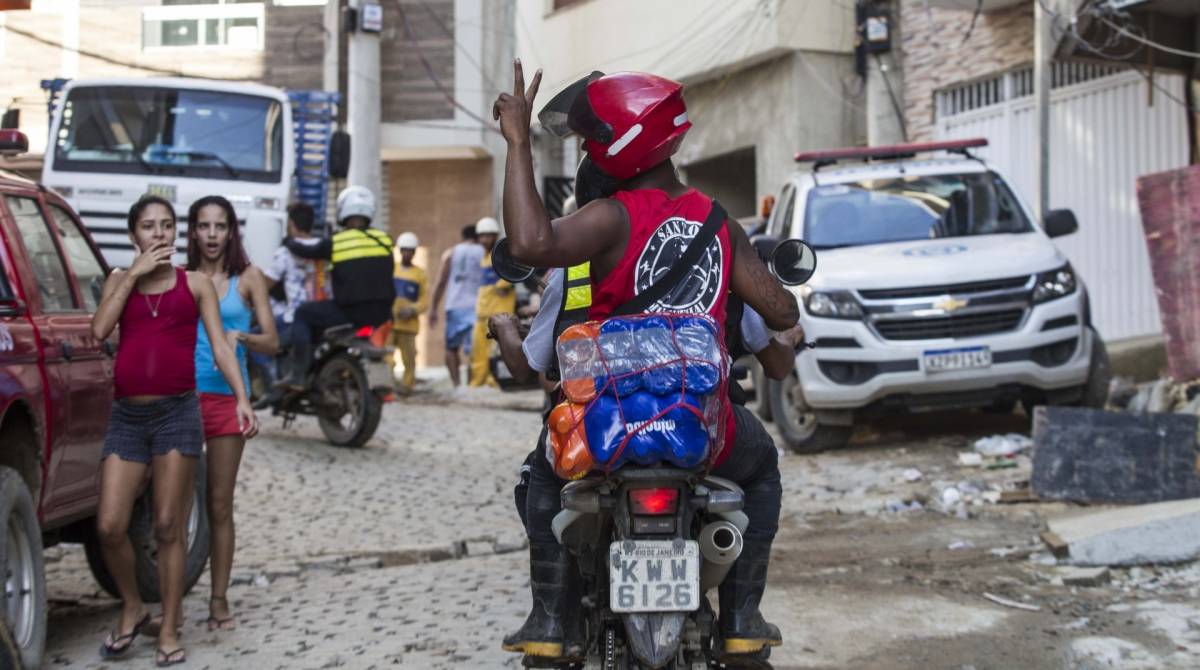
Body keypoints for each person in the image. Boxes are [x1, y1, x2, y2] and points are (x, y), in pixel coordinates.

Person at [492, 63, 800, 662]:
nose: (588, 148)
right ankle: (740, 619)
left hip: (605, 425)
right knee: (761, 470)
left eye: (594, 138)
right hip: (699, 426)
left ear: (622, 145)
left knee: (544, 477)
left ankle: (551, 623)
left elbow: (529, 244)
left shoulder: (610, 217)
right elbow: (780, 311)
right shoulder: (718, 224)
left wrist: (518, 141)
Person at [90, 195, 257, 667]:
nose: (158, 234)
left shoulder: (197, 283)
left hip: (177, 414)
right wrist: (132, 278)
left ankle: (167, 626)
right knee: (109, 525)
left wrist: (241, 397)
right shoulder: (118, 281)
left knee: (168, 524)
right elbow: (100, 329)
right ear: (133, 235)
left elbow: (222, 347)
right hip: (127, 417)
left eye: (166, 226)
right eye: (148, 226)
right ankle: (131, 606)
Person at [187, 195, 277, 633]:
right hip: (181, 399)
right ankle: (169, 596)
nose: (211, 235)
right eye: (203, 226)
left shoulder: (249, 277)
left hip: (227, 399)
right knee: (173, 507)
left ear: (231, 231)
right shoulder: (181, 278)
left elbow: (273, 341)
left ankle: (218, 598)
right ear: (193, 231)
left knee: (219, 504)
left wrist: (244, 337)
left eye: (219, 226)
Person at [276, 186, 395, 388]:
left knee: (304, 313)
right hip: (382, 315)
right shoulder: (384, 240)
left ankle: (298, 374)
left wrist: (288, 241)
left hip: (351, 312)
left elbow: (306, 251)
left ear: (343, 211)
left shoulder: (337, 241)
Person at [258, 202, 320, 388]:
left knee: (251, 340)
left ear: (291, 224)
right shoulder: (323, 247)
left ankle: (273, 385)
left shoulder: (286, 251)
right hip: (320, 315)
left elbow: (266, 283)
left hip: (293, 317)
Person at [428, 224, 483, 387]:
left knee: (451, 348)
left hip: (455, 306)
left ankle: (456, 384)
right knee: (476, 349)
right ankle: (472, 384)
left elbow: (440, 282)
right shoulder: (484, 252)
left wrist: (433, 308)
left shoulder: (451, 253)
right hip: (477, 306)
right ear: (477, 236)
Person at [468, 217, 513, 387]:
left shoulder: (503, 257)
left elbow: (507, 283)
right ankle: (478, 381)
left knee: (494, 351)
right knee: (478, 350)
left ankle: (494, 381)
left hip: (498, 314)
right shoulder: (484, 258)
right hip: (482, 314)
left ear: (495, 236)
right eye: (482, 236)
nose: (485, 239)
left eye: (489, 235)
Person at [391, 232, 429, 394]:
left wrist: (412, 309)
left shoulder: (420, 275)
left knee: (409, 358)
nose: (407, 253)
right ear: (399, 251)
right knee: (386, 356)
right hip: (391, 322)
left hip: (409, 325)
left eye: (410, 250)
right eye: (404, 250)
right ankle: (389, 386)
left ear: (414, 252)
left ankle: (407, 387)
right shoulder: (392, 269)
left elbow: (424, 301)